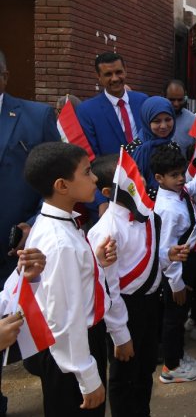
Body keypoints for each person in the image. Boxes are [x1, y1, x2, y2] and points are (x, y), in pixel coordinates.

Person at [23, 142, 121, 416]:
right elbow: (63, 319)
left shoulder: (59, 223)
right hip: (71, 353)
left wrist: (94, 263)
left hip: (72, 349)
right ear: (62, 186)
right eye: (87, 172)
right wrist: (87, 377)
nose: (94, 178)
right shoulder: (60, 241)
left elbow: (68, 283)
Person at [0, 49, 60, 414]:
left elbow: (55, 181)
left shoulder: (36, 116)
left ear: (4, 76)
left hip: (21, 247)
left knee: (30, 330)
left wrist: (35, 224)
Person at [88, 155, 166, 416]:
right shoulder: (106, 230)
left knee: (145, 369)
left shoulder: (147, 212)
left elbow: (150, 253)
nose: (139, 181)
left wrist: (168, 257)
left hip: (150, 302)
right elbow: (107, 286)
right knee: (124, 375)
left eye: (137, 174)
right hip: (124, 310)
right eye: (130, 180)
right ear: (108, 192)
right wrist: (120, 335)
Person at [151, 145, 196, 384]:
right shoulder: (167, 209)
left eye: (182, 173)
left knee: (180, 315)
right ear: (159, 178)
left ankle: (177, 354)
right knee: (174, 319)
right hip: (176, 274)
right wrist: (177, 283)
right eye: (174, 175)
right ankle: (171, 366)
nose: (181, 179)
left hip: (189, 267)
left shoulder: (180, 191)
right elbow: (166, 253)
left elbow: (195, 184)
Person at [76, 52, 148, 156]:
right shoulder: (86, 111)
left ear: (125, 71)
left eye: (118, 72)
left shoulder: (143, 101)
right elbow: (91, 154)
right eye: (108, 74)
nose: (115, 78)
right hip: (110, 171)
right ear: (98, 76)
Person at [124, 96, 179, 196]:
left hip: (171, 204)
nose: (163, 126)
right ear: (146, 121)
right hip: (142, 207)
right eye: (157, 121)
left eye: (168, 119)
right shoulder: (133, 149)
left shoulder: (174, 147)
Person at [164, 80, 196, 157]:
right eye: (172, 100)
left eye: (180, 100)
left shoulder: (193, 120)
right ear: (164, 96)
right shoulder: (154, 118)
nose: (176, 104)